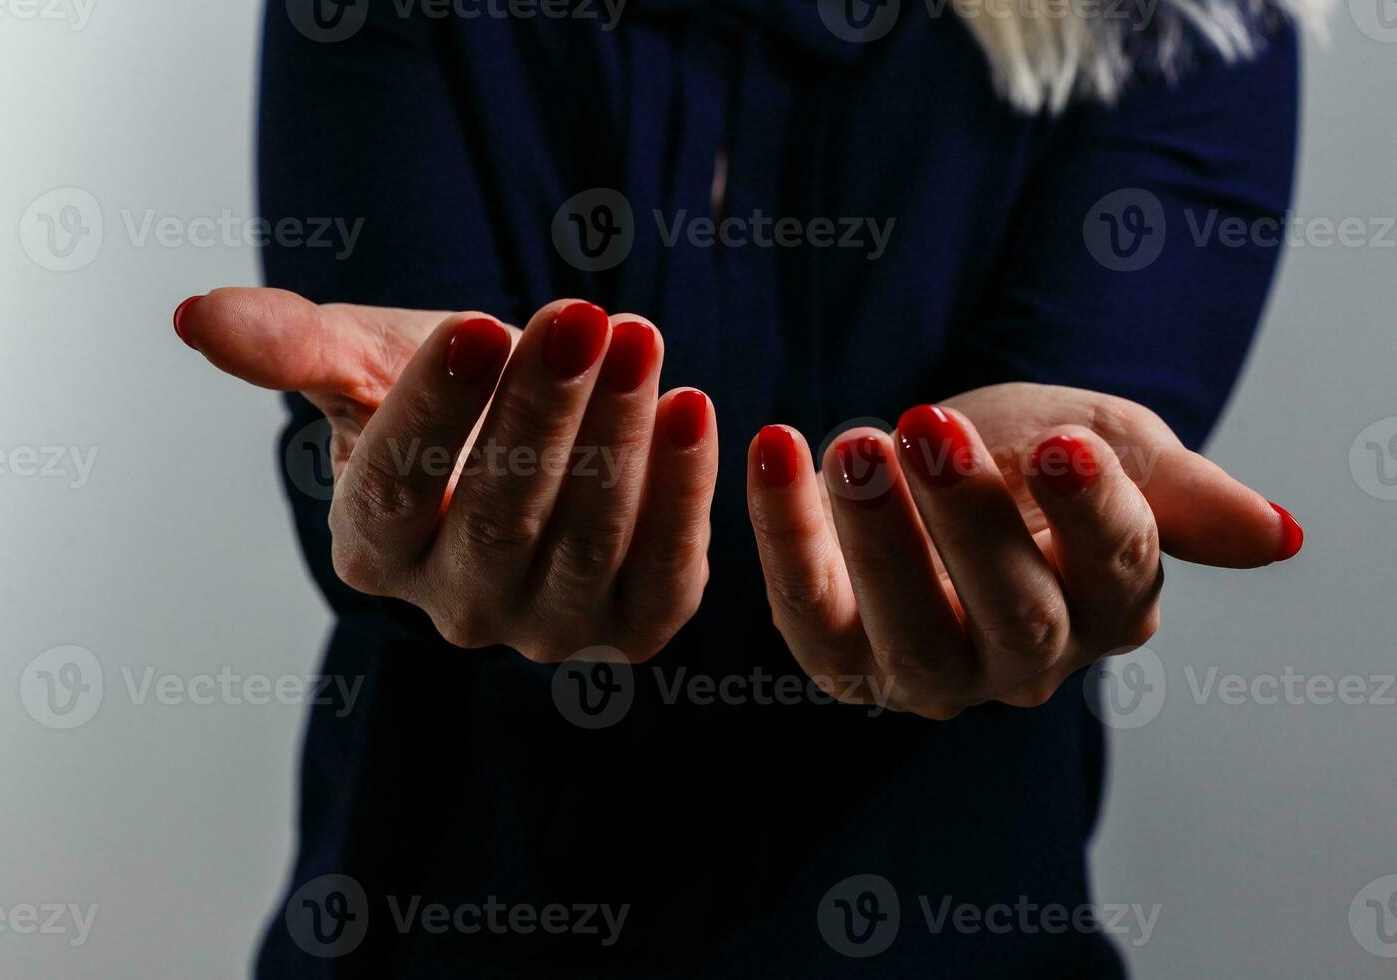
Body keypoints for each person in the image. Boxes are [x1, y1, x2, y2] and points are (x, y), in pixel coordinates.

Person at [176, 0, 1309, 974]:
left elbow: (1066, 482)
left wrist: (1018, 526)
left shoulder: (1184, 20)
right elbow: (376, 440)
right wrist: (418, 488)